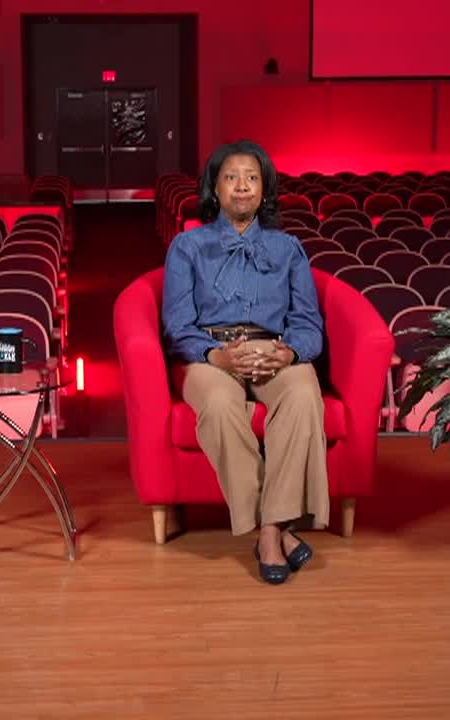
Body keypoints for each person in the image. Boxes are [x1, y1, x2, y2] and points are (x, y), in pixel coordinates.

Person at [161, 139, 327, 585]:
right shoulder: (187, 246)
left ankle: (270, 530)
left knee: (303, 392)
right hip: (210, 354)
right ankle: (276, 531)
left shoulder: (288, 248)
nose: (241, 186)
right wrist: (218, 355)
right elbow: (177, 324)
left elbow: (309, 324)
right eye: (231, 177)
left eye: (252, 178)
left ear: (264, 190)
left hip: (273, 350)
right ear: (215, 188)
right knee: (218, 405)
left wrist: (287, 352)